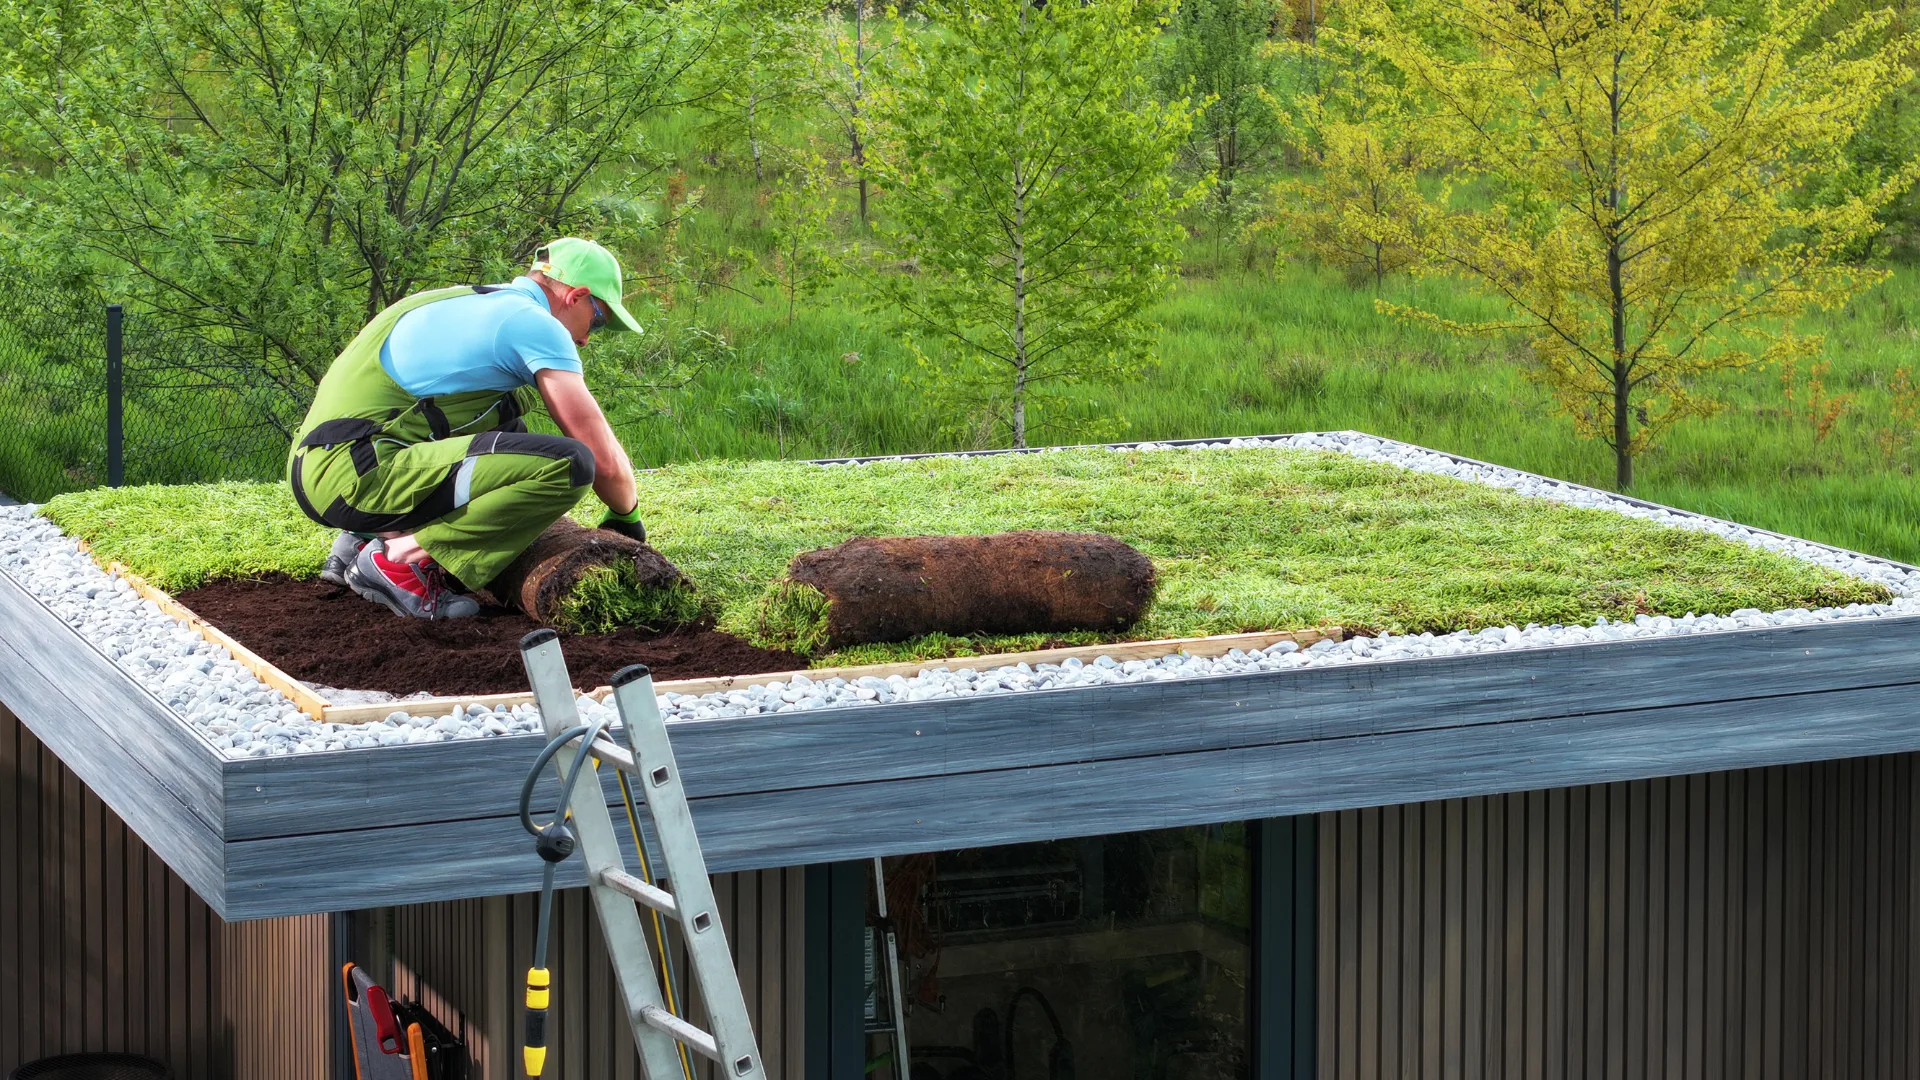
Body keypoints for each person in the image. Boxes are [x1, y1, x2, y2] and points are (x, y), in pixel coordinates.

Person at [286, 238, 649, 619]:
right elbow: (602, 460)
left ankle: (359, 540)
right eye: (600, 320)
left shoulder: (455, 301)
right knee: (569, 464)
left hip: (323, 466)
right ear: (577, 296)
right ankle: (399, 560)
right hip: (358, 477)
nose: (588, 338)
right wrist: (627, 519)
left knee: (510, 425)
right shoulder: (533, 323)